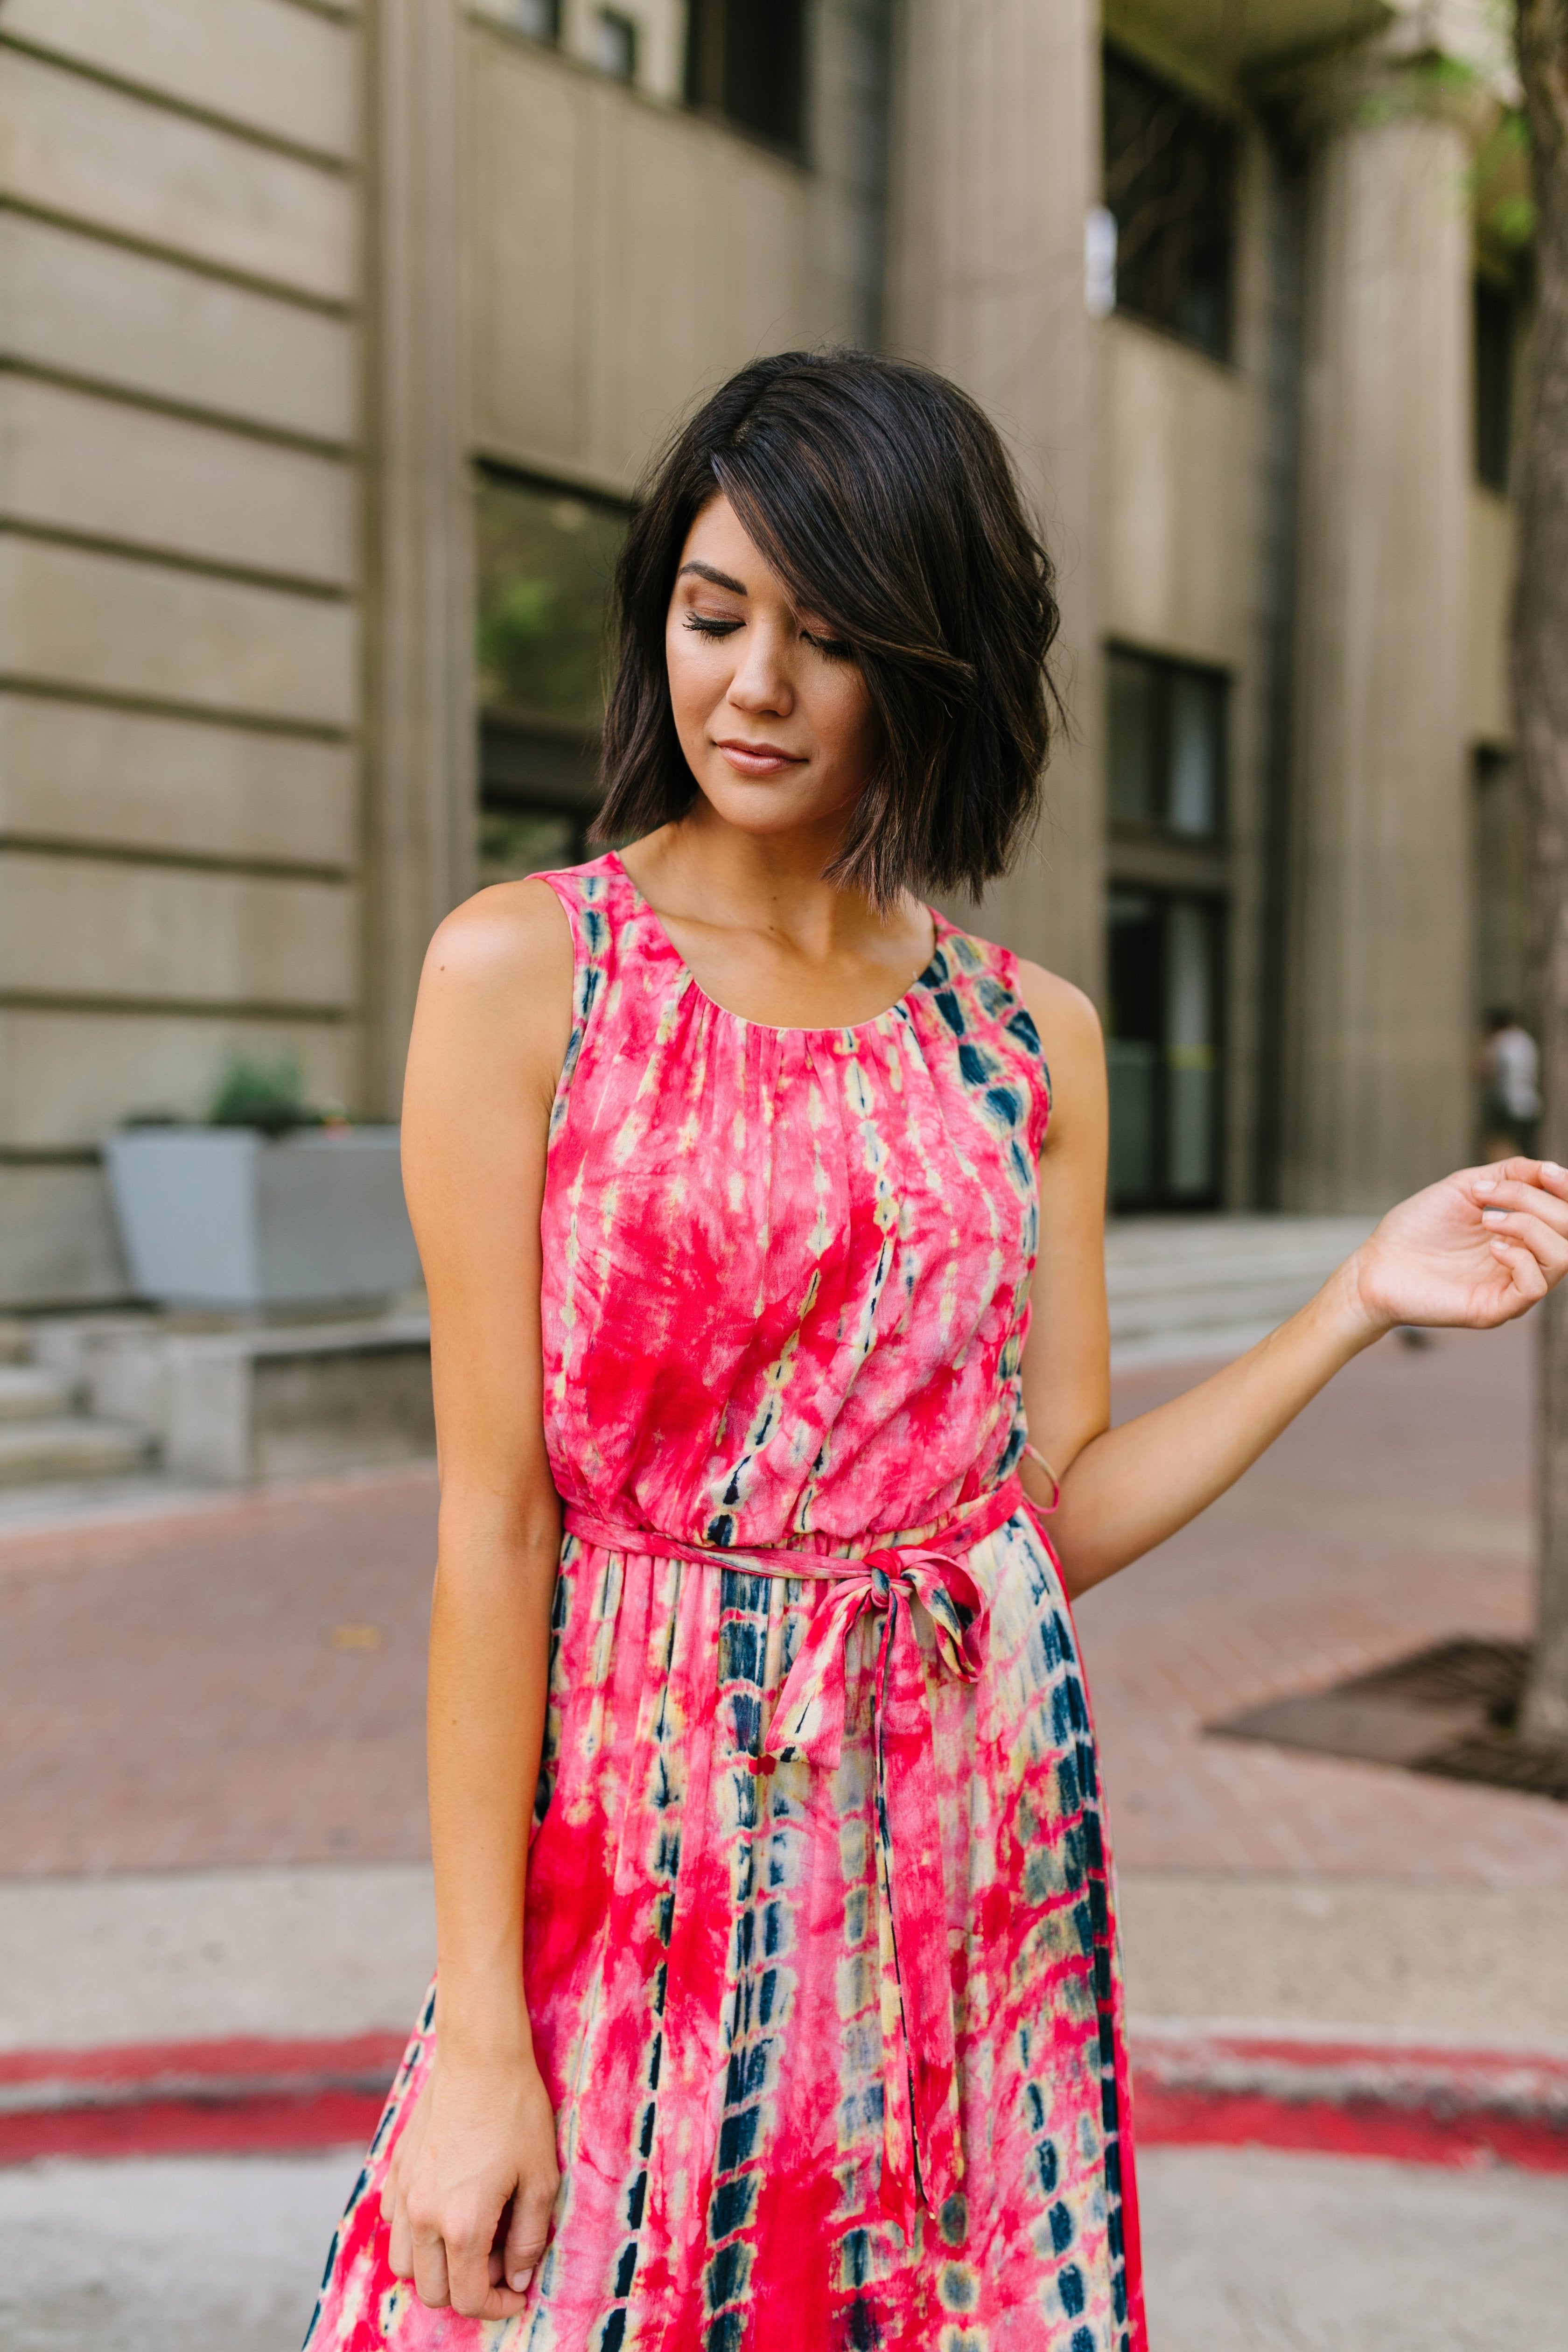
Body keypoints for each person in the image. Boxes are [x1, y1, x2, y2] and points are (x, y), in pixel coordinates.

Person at [305, 352, 1568, 2352]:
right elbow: (494, 1524)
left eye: (826, 638)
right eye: (713, 615)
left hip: (967, 1856)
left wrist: (1348, 1300)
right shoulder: (526, 972)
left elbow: (1039, 1527)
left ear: (927, 659)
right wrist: (480, 2033)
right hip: (640, 1854)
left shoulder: (1023, 1036)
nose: (753, 687)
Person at [1479, 1007, 1541, 1163]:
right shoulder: (1526, 1040)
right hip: (1529, 1104)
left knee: (1500, 1148)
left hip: (1507, 1105)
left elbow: (1484, 1071)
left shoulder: (1500, 1041)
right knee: (1524, 1151)